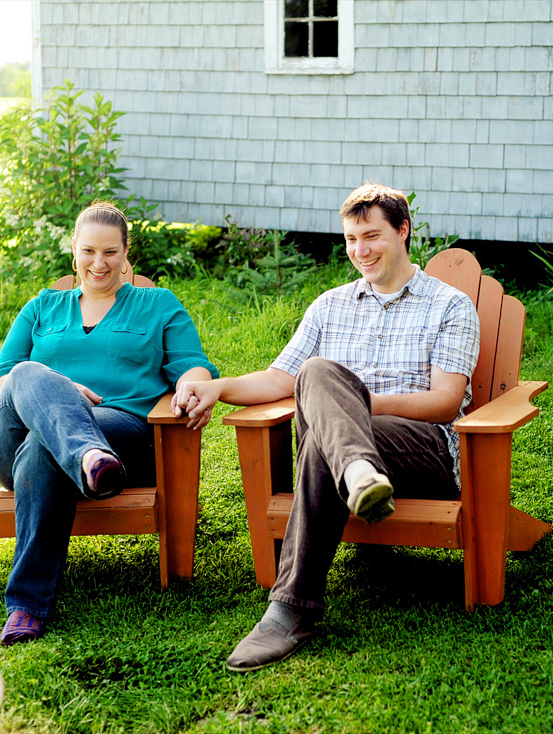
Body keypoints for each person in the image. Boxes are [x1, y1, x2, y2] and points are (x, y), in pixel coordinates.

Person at [175, 184, 480, 671]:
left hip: (424, 451)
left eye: (373, 236)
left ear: (403, 231)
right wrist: (219, 386)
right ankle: (359, 475)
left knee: (323, 420)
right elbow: (281, 377)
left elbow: (445, 402)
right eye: (351, 239)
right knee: (315, 373)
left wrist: (354, 403)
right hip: (353, 458)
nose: (361, 250)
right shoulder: (329, 305)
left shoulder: (450, 305)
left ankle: (290, 611)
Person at [0, 200, 218, 645]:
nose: (99, 263)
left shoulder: (158, 305)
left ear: (127, 254)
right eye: (89, 251)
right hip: (14, 442)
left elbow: (191, 363)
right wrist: (60, 392)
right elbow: (2, 377)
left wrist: (192, 386)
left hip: (121, 433)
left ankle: (26, 608)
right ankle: (86, 454)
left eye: (110, 252)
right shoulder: (41, 308)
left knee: (43, 447)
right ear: (74, 250)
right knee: (27, 373)